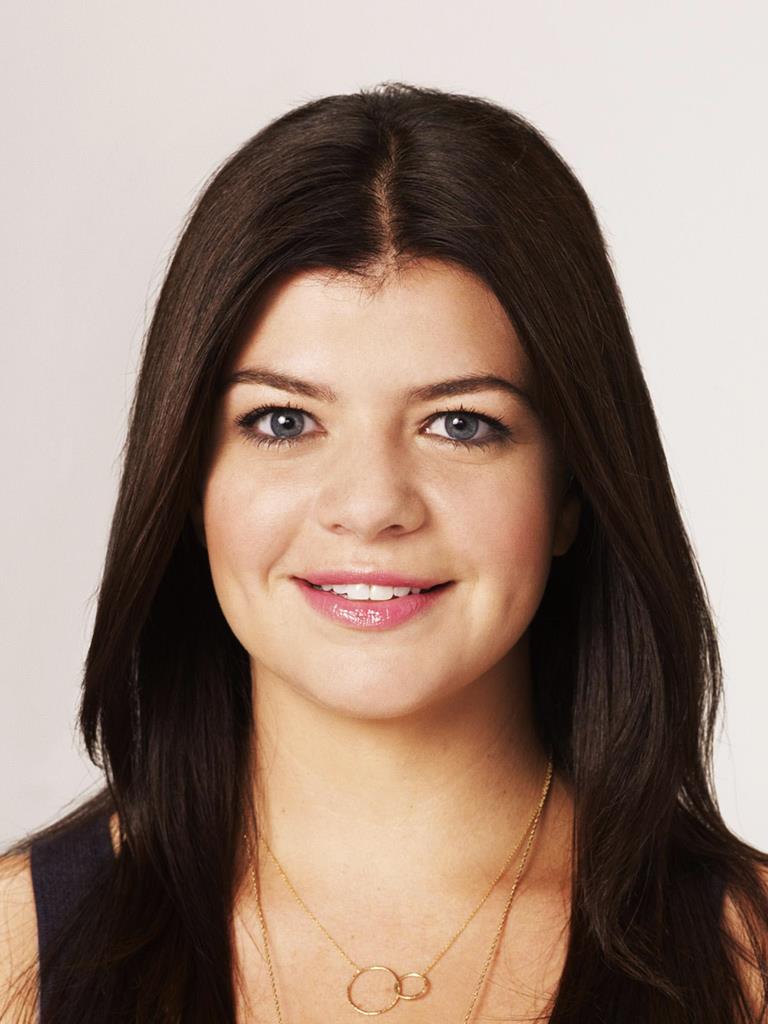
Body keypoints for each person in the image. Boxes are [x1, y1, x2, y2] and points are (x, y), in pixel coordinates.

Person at [1, 81, 766, 1023]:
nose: (370, 507)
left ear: (572, 490)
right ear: (189, 483)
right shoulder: (15, 952)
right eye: (283, 420)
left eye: (461, 423)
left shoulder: (750, 960)